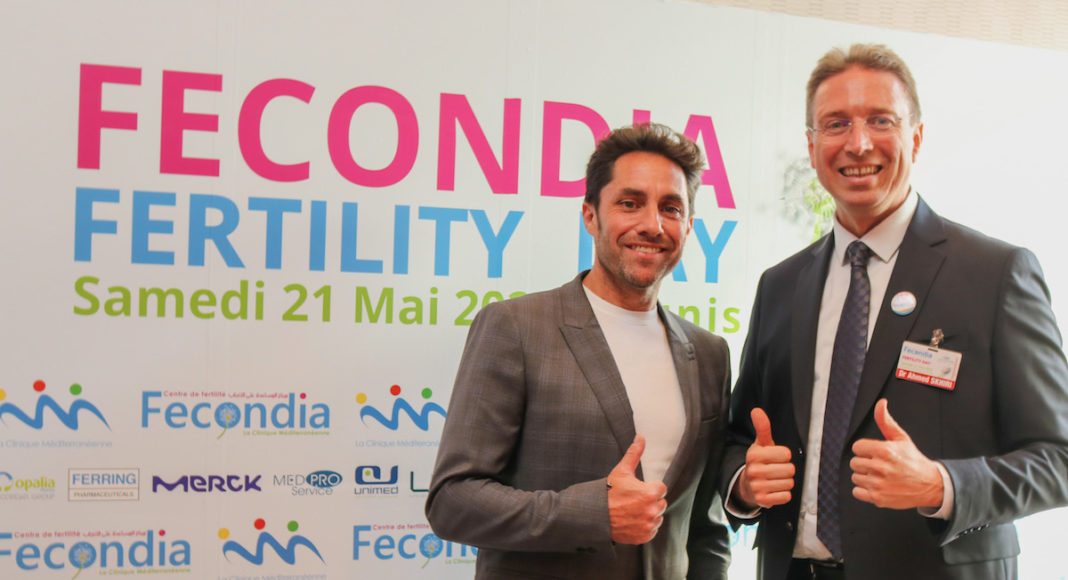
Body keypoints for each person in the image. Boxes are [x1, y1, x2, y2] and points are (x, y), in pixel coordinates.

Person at [720, 43, 1068, 579]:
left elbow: (1058, 457)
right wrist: (744, 482)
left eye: (880, 120)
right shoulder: (780, 285)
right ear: (812, 147)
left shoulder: (996, 273)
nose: (858, 143)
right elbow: (739, 437)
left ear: (916, 137)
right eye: (836, 124)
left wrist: (942, 486)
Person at [426, 123, 731, 579]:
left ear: (688, 227)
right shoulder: (515, 327)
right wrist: (594, 514)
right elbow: (452, 501)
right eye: (630, 203)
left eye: (670, 208)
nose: (652, 225)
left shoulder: (709, 354)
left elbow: (704, 529)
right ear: (591, 215)